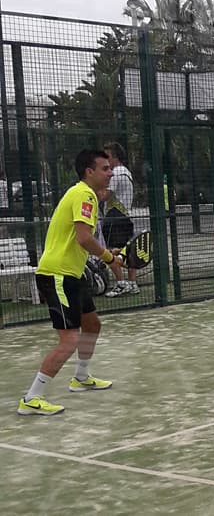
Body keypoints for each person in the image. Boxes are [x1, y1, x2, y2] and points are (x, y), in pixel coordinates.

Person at [18, 149, 123, 416]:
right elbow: (84, 238)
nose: (111, 173)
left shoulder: (82, 194)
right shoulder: (84, 194)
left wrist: (107, 255)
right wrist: (110, 258)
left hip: (71, 274)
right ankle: (32, 398)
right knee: (69, 340)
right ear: (90, 172)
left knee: (92, 325)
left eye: (110, 168)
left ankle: (81, 377)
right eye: (105, 169)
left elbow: (83, 239)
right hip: (57, 275)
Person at [102, 142, 138, 297]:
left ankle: (121, 283)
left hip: (115, 217)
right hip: (124, 216)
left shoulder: (116, 173)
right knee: (127, 251)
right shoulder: (126, 172)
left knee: (110, 252)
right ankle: (132, 283)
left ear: (115, 157)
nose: (105, 160)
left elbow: (104, 196)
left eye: (107, 156)